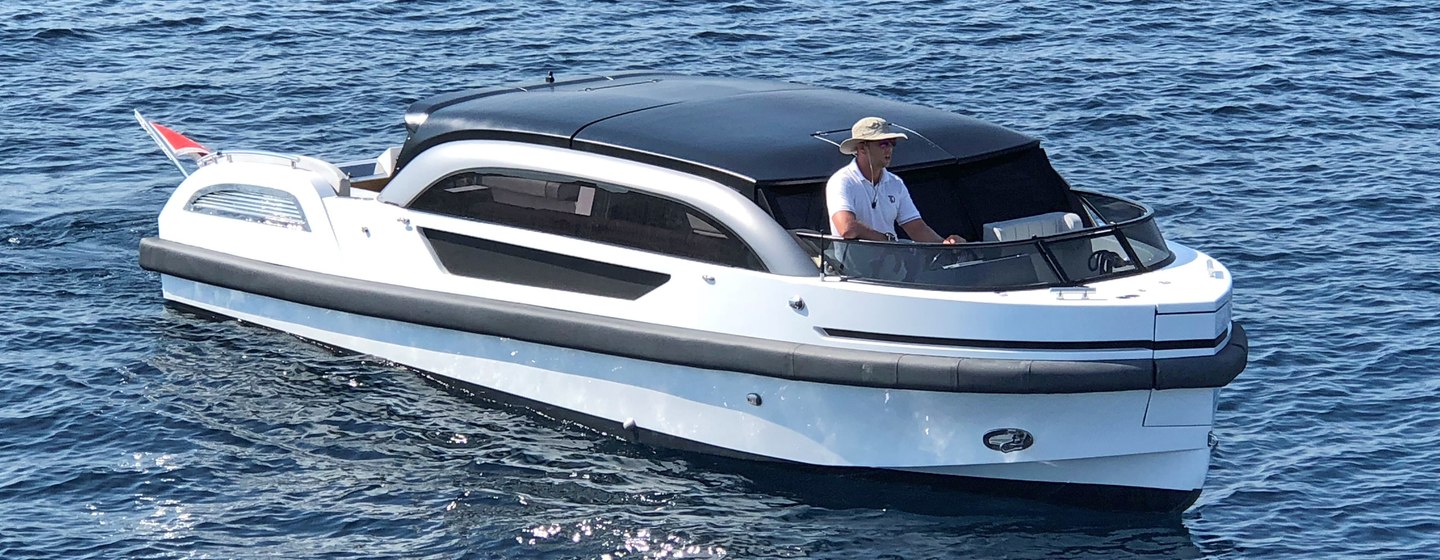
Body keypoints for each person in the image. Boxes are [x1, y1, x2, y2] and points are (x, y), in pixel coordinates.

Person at [826, 117, 965, 244]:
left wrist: (944, 245)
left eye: (892, 144)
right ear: (862, 148)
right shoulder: (841, 181)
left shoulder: (895, 183)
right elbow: (847, 228)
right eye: (883, 144)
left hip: (892, 265)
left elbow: (916, 228)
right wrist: (887, 240)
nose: (890, 149)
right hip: (853, 268)